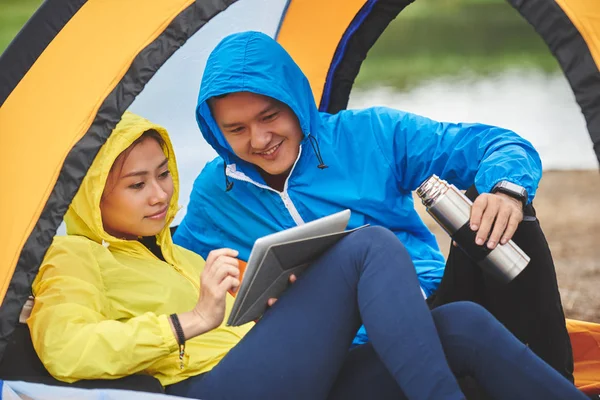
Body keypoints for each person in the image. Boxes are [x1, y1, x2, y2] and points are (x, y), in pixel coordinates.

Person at [27, 112, 586, 400]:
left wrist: (279, 301)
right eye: (136, 185)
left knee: (460, 323)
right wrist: (187, 322)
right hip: (217, 389)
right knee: (368, 245)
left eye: (165, 175)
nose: (159, 194)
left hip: (283, 376)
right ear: (92, 192)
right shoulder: (74, 255)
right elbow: (65, 349)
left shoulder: (182, 254)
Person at [173, 31, 574, 381]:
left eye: (269, 116)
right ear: (216, 131)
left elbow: (496, 144)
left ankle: (555, 380)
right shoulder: (215, 191)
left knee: (503, 214)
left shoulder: (371, 134)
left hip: (436, 305)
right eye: (236, 129)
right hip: (348, 356)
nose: (259, 140)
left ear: (294, 101)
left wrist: (506, 191)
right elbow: (169, 263)